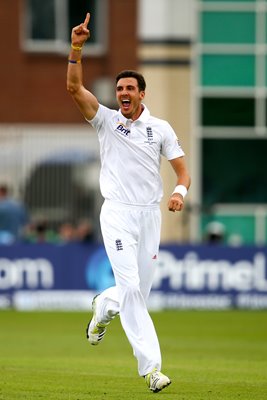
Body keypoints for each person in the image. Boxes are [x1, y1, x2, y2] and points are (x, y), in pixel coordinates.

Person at [67, 13, 191, 393]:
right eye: (119, 88)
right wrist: (76, 49)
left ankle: (102, 310)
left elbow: (183, 172)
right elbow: (74, 89)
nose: (122, 93)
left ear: (141, 93)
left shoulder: (160, 129)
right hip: (117, 213)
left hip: (148, 217)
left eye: (129, 89)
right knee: (133, 291)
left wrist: (177, 193)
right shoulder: (105, 121)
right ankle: (152, 370)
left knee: (135, 293)